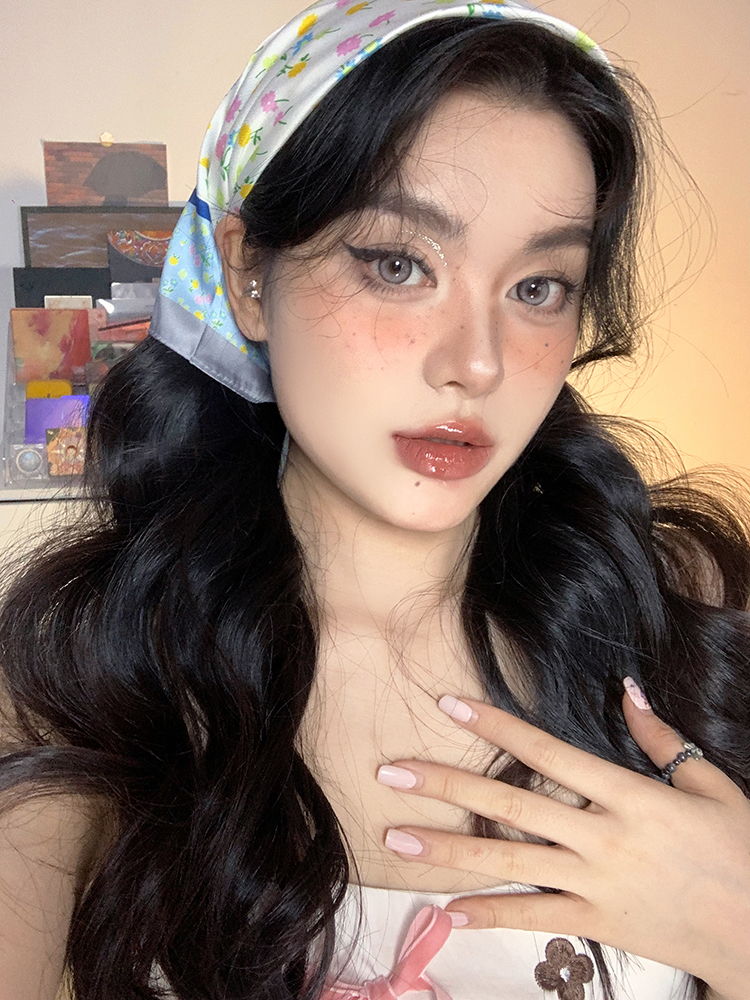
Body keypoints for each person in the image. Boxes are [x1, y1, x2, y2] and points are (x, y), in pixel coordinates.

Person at [0, 2, 748, 999]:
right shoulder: (80, 683)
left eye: (538, 287)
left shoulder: (682, 611)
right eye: (399, 264)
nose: (477, 363)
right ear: (248, 274)